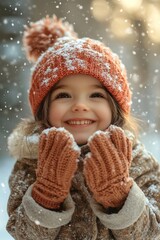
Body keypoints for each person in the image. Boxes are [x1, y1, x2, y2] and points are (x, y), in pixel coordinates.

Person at [6, 15, 160, 240]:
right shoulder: (31, 163)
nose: (79, 105)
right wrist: (46, 195)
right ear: (44, 110)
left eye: (96, 95)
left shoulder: (136, 161)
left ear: (115, 108)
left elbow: (152, 233)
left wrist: (119, 196)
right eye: (64, 95)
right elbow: (22, 233)